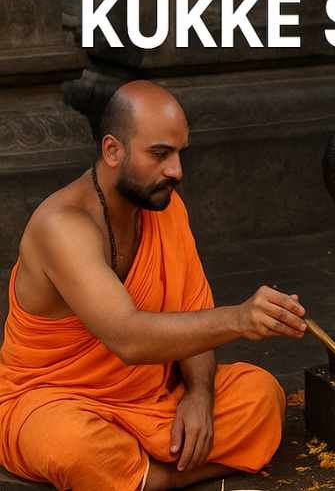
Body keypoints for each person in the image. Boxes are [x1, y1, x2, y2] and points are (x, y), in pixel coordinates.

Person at [0, 81, 309, 490]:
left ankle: (135, 474)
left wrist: (199, 395)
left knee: (262, 395)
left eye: (181, 153)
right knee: (73, 447)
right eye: (160, 154)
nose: (176, 171)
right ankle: (162, 475)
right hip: (57, 402)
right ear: (113, 151)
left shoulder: (163, 206)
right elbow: (128, 338)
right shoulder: (62, 226)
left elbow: (190, 307)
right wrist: (239, 319)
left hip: (154, 399)